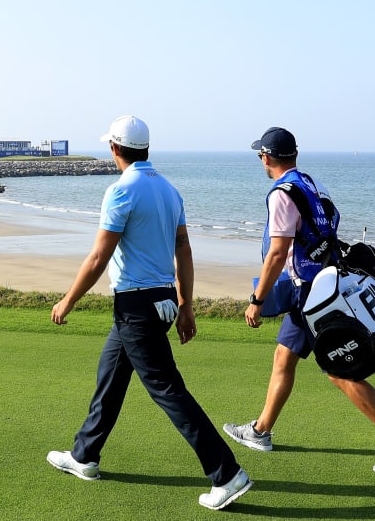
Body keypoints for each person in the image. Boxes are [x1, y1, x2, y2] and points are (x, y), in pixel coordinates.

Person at [46, 115, 252, 511]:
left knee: (167, 389)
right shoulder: (169, 191)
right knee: (110, 377)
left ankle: (227, 474)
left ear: (115, 149)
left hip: (136, 306)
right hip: (162, 304)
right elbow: (184, 251)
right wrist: (186, 305)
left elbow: (98, 257)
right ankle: (84, 455)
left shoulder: (121, 190)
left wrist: (67, 300)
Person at [223, 126, 375, 475]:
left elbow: (277, 252)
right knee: (283, 355)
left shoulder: (280, 194)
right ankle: (261, 431)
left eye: (260, 154)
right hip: (324, 284)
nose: (260, 158)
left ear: (266, 157)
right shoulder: (312, 183)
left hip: (315, 297)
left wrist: (258, 298)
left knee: (338, 370)